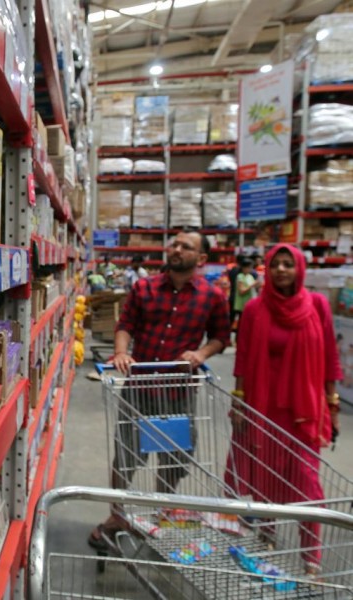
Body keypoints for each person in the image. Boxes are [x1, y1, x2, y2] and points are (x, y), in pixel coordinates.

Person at [88, 230, 231, 550]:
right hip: (139, 388)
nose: (176, 249)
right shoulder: (144, 287)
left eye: (185, 247)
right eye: (174, 244)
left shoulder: (212, 296)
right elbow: (126, 325)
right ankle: (117, 515)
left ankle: (161, 512)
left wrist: (201, 353)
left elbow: (221, 337)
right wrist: (121, 352)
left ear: (201, 258)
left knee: (175, 458)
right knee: (126, 455)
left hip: (179, 391)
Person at [227, 244, 341, 576]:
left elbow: (330, 356)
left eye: (288, 264)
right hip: (262, 406)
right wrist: (238, 400)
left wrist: (332, 403)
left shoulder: (317, 305)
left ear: (299, 269)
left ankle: (311, 557)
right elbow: (243, 357)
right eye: (275, 264)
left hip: (303, 410)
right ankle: (267, 535)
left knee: (307, 482)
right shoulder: (254, 309)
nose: (281, 270)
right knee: (266, 475)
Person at [233, 257, 257, 332]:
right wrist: (252, 285)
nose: (251, 269)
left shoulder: (250, 276)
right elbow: (241, 291)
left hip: (249, 302)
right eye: (249, 267)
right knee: (241, 324)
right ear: (244, 268)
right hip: (242, 304)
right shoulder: (240, 276)